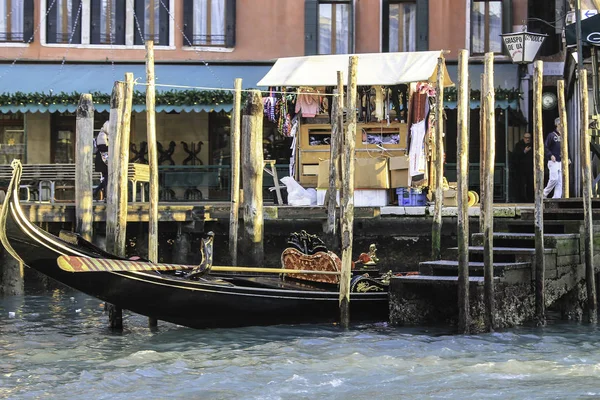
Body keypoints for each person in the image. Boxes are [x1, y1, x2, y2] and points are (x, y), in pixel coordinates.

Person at [543, 117, 562, 199]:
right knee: (554, 179)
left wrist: (568, 158)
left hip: (561, 160)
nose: (561, 126)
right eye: (560, 124)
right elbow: (546, 147)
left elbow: (566, 148)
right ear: (557, 125)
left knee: (560, 181)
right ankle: (544, 193)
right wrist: (550, 155)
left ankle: (556, 197)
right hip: (553, 161)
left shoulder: (563, 136)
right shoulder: (551, 135)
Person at [513, 132, 534, 202]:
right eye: (526, 138)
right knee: (521, 184)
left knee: (530, 184)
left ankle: (530, 198)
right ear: (523, 138)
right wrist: (524, 152)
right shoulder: (519, 145)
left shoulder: (533, 145)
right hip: (521, 168)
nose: (527, 139)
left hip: (530, 168)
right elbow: (515, 156)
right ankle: (521, 199)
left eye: (529, 138)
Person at [93, 121, 109, 200]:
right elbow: (103, 147)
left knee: (107, 178)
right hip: (103, 159)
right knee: (107, 178)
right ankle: (103, 194)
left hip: (105, 159)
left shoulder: (105, 135)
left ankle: (98, 191)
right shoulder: (102, 135)